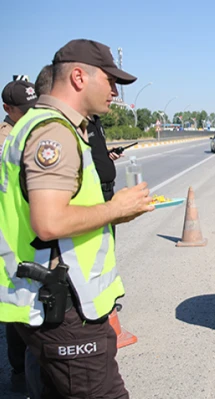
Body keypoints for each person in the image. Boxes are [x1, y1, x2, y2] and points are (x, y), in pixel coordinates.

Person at [0, 38, 154, 398]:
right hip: (65, 308)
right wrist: (117, 209)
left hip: (49, 300)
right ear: (80, 77)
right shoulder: (53, 131)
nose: (115, 91)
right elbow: (49, 222)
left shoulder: (39, 124)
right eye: (111, 80)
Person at [1, 78, 38, 394]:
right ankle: (17, 374)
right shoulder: (5, 139)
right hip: (11, 240)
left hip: (29, 237)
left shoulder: (30, 130)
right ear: (7, 110)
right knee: (16, 312)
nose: (29, 114)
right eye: (23, 110)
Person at [36, 65, 121, 202]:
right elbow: (50, 218)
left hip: (100, 196)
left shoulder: (85, 121)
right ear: (78, 79)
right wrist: (117, 209)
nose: (114, 92)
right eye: (109, 82)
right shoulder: (54, 128)